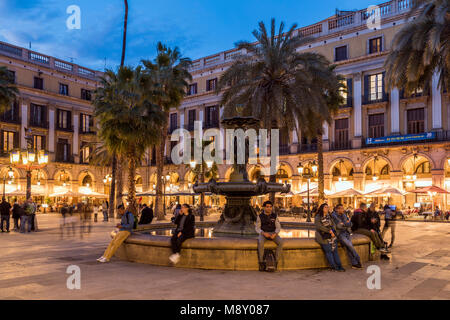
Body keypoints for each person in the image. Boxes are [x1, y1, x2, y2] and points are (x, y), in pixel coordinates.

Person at [315, 203, 345, 271]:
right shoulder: (318, 217)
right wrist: (329, 231)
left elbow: (334, 224)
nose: (327, 208)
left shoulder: (330, 216)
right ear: (322, 208)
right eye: (325, 207)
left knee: (335, 251)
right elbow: (319, 227)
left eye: (327, 207)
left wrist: (333, 231)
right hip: (323, 236)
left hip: (332, 236)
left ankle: (339, 266)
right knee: (328, 251)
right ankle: (334, 266)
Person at [331, 204, 362, 269]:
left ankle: (355, 263)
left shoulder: (344, 215)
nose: (343, 210)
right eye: (341, 208)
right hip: (340, 234)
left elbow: (350, 223)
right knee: (350, 246)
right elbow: (338, 226)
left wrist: (344, 224)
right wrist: (346, 223)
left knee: (349, 247)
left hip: (347, 232)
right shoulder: (334, 216)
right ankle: (358, 258)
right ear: (337, 209)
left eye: (343, 208)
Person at [255, 201, 283, 271]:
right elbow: (257, 228)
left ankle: (275, 262)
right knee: (260, 243)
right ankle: (261, 263)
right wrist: (263, 233)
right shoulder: (260, 216)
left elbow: (278, 227)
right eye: (267, 207)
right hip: (264, 233)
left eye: (270, 207)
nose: (269, 208)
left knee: (281, 242)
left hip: (273, 233)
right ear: (264, 207)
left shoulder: (275, 216)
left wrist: (275, 234)